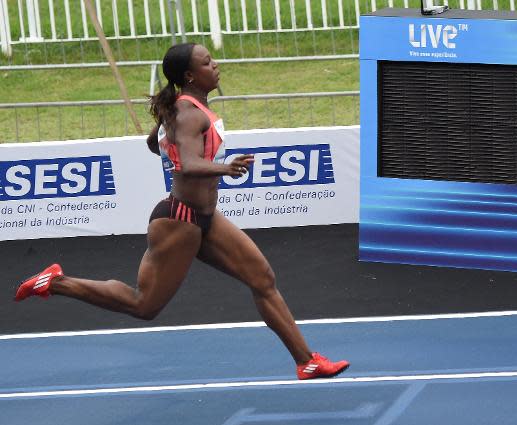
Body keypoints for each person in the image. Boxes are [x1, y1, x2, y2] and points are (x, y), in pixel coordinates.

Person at [14, 43, 349, 381]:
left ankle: (306, 361)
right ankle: (56, 282)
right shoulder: (189, 113)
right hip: (179, 220)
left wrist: (166, 132)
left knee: (262, 279)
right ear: (190, 75)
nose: (215, 65)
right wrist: (225, 169)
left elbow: (154, 143)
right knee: (143, 304)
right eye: (207, 62)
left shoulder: (183, 110)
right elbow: (187, 164)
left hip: (205, 219)